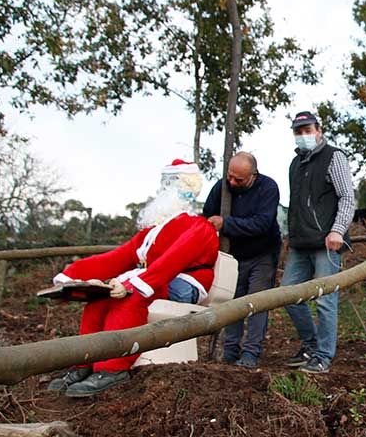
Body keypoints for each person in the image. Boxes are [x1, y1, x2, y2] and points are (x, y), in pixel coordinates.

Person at [47, 159, 219, 397]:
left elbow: (172, 261)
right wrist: (73, 274)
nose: (163, 189)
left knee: (128, 297)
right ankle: (84, 361)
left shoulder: (199, 227)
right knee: (99, 299)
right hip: (152, 277)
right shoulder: (151, 231)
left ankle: (113, 368)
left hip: (184, 282)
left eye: (170, 182)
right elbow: (117, 257)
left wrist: (132, 284)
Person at [282, 111, 354, 374]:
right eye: (298, 131)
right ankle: (310, 344)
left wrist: (337, 230)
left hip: (327, 242)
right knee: (288, 294)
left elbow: (347, 197)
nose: (303, 135)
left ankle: (323, 355)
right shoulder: (295, 164)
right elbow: (297, 205)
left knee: (325, 300)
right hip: (300, 243)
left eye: (307, 130)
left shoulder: (334, 157)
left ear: (319, 130)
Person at [202, 152, 281, 368]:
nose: (232, 182)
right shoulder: (222, 187)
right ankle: (230, 350)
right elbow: (207, 215)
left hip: (262, 254)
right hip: (233, 256)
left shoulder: (268, 188)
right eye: (230, 177)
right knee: (232, 302)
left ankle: (250, 353)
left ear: (253, 176)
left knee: (257, 302)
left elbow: (261, 224)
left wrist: (226, 224)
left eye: (239, 180)